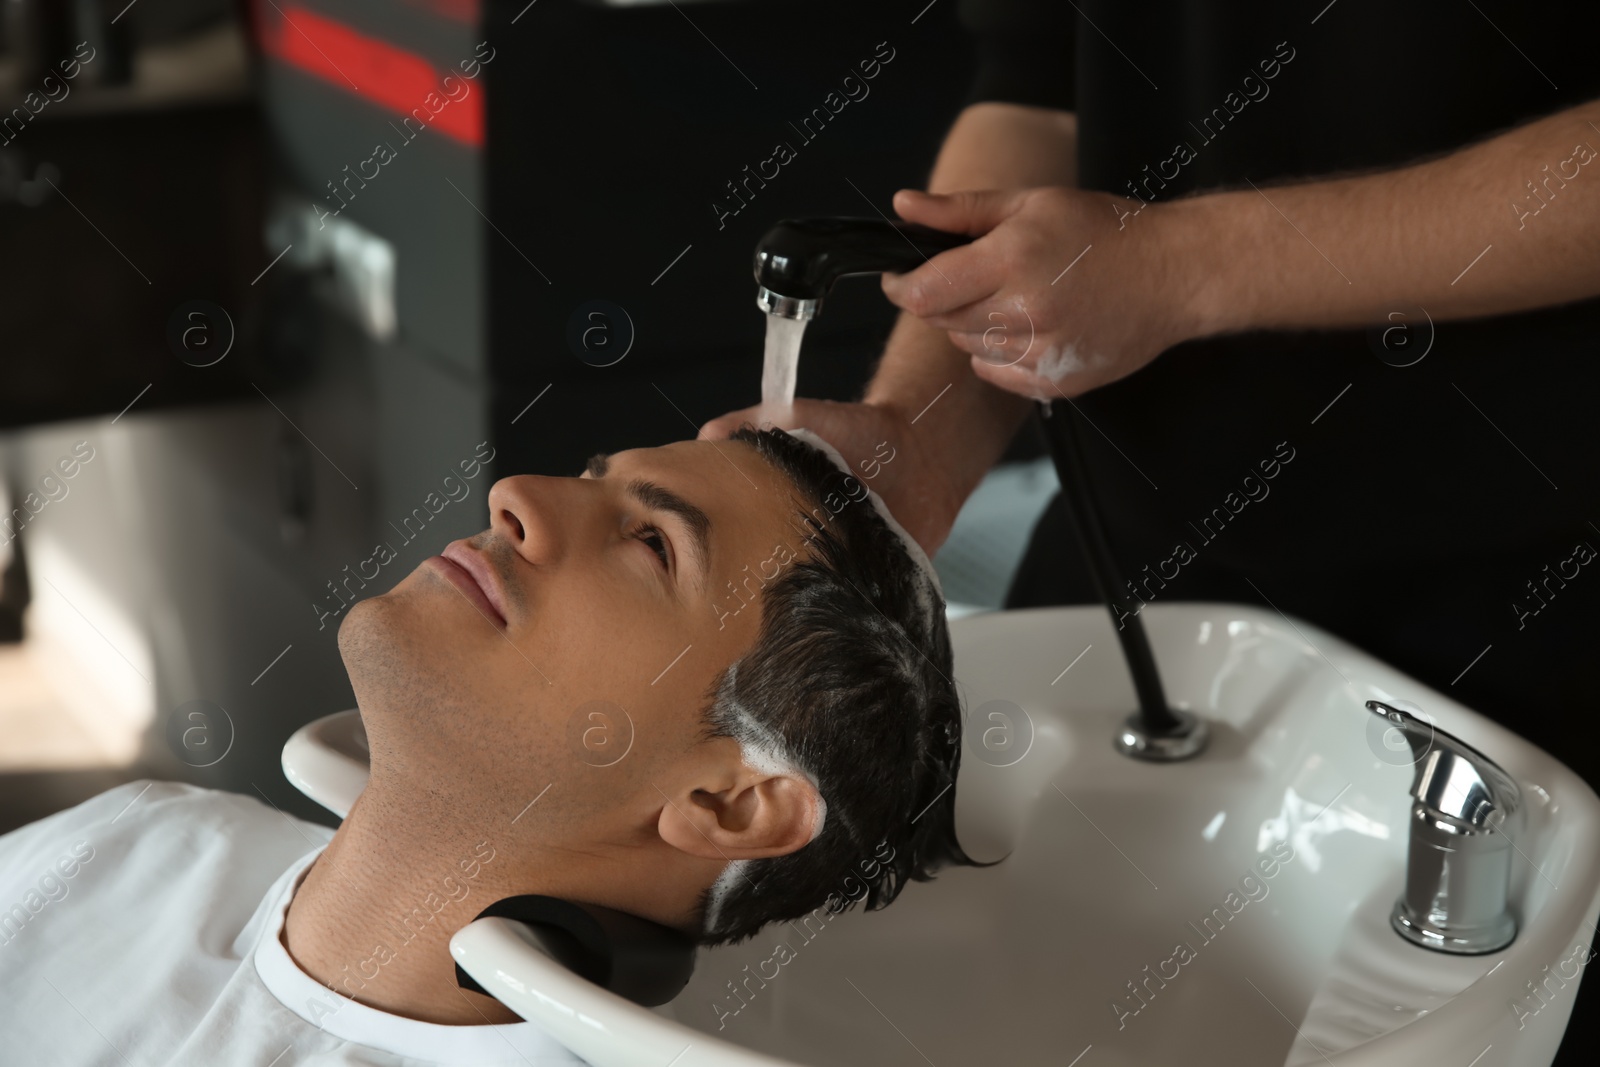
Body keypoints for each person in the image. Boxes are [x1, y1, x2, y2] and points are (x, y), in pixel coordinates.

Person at [699, 3, 1600, 1062]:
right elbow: (1037, 84)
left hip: (1540, 585)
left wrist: (1179, 265)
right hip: (1138, 558)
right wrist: (922, 437)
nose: (518, 510)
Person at [0, 427, 975, 1065]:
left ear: (730, 800)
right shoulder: (132, 841)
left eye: (651, 542)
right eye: (597, 480)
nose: (519, 493)